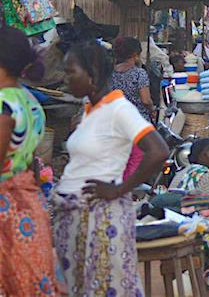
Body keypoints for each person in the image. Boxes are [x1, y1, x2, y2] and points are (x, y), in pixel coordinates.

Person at [53, 40, 168, 296]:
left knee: (107, 286)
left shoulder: (119, 109)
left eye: (71, 71)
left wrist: (119, 189)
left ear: (92, 73)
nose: (66, 78)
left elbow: (158, 151)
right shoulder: (89, 111)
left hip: (100, 220)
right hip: (75, 218)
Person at [0, 28, 56, 296]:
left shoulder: (4, 104)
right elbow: (32, 160)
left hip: (7, 209)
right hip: (29, 202)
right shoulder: (31, 102)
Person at [111, 37, 155, 180]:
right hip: (137, 124)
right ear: (134, 54)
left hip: (117, 123)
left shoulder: (112, 74)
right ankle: (133, 188)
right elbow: (145, 100)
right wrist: (152, 109)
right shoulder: (139, 73)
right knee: (137, 159)